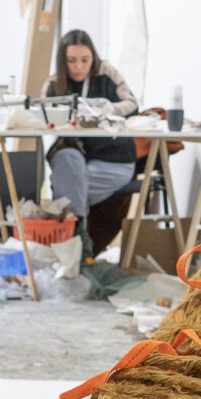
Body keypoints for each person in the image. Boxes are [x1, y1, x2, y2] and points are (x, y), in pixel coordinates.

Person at [42, 29, 142, 247]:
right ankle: (79, 242)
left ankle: (73, 240)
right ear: (62, 61)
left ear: (93, 58)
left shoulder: (107, 73)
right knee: (67, 160)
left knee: (65, 188)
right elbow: (43, 115)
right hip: (77, 158)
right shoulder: (52, 85)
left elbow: (132, 104)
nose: (79, 66)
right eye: (71, 61)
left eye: (85, 60)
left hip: (113, 159)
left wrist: (111, 109)